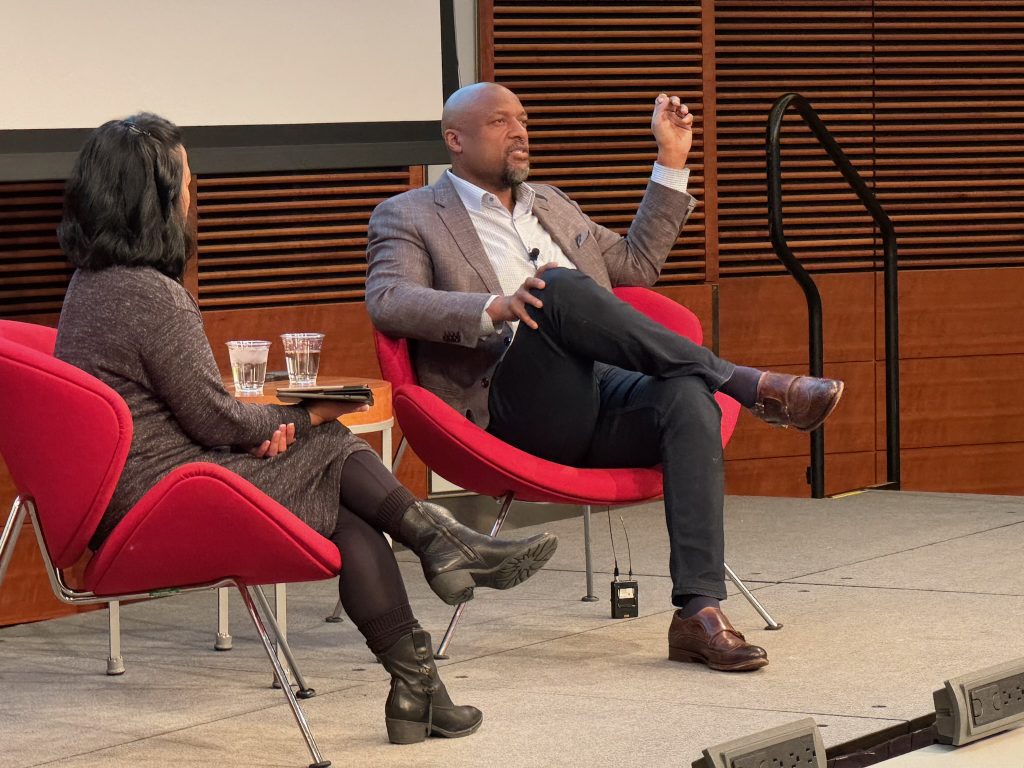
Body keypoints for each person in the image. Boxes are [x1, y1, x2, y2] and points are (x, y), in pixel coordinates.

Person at [53, 113, 559, 744]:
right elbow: (216, 416)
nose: (191, 196)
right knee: (329, 439)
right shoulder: (149, 295)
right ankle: (446, 544)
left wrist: (271, 426)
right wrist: (300, 416)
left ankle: (418, 691)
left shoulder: (92, 284)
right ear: (150, 199)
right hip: (167, 494)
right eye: (184, 182)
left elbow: (204, 416)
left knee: (348, 516)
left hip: (151, 483)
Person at [365, 82, 845, 673]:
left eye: (523, 118)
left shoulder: (551, 201)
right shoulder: (410, 214)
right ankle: (745, 384)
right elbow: (388, 300)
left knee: (686, 393)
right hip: (512, 408)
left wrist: (671, 161)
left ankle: (698, 611)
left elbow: (636, 267)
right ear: (455, 140)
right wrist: (495, 306)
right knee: (558, 289)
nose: (520, 132)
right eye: (500, 122)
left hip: (600, 391)